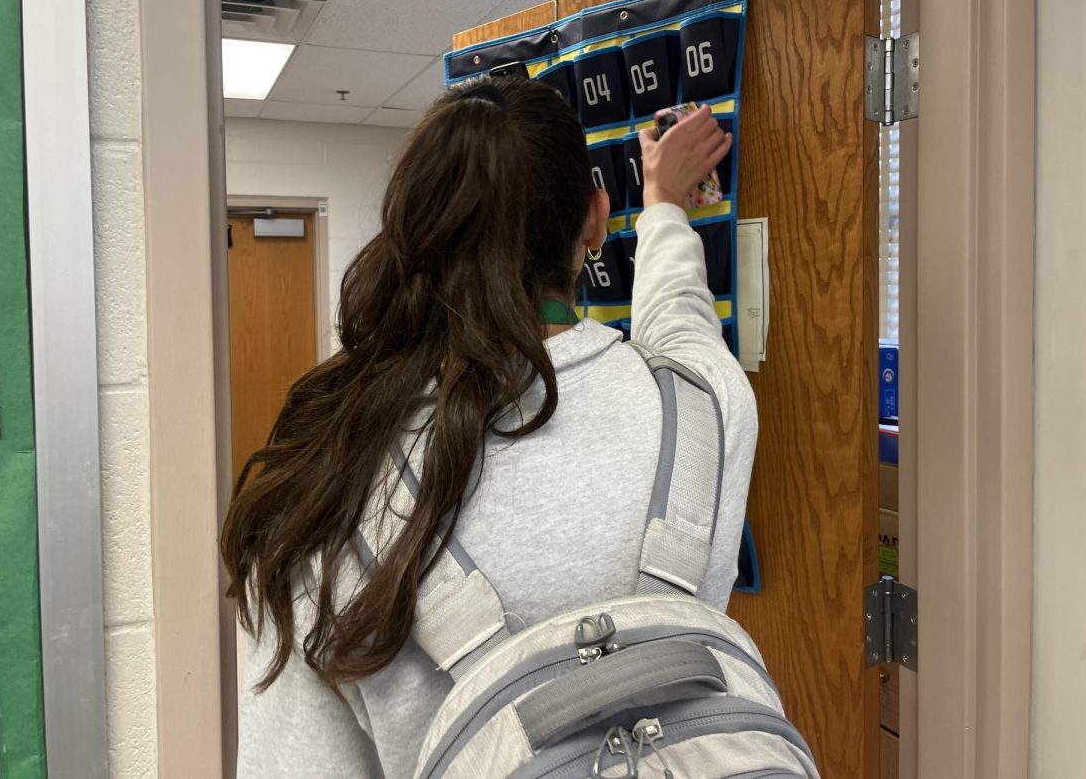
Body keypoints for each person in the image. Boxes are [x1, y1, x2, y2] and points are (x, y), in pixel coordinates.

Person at [223, 77, 756, 778]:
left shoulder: (330, 481)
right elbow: (680, 316)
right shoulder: (705, 411)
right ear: (595, 221)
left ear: (414, 232)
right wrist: (662, 208)